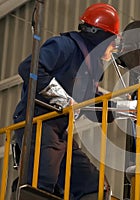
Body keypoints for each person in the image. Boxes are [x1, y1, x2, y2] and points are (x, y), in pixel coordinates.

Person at [12, 3, 119, 199]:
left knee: (92, 185)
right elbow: (29, 68)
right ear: (102, 37)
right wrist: (63, 99)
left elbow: (89, 106)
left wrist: (125, 108)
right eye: (113, 41)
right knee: (40, 184)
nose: (114, 48)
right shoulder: (64, 46)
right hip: (38, 122)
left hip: (59, 131)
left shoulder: (89, 67)